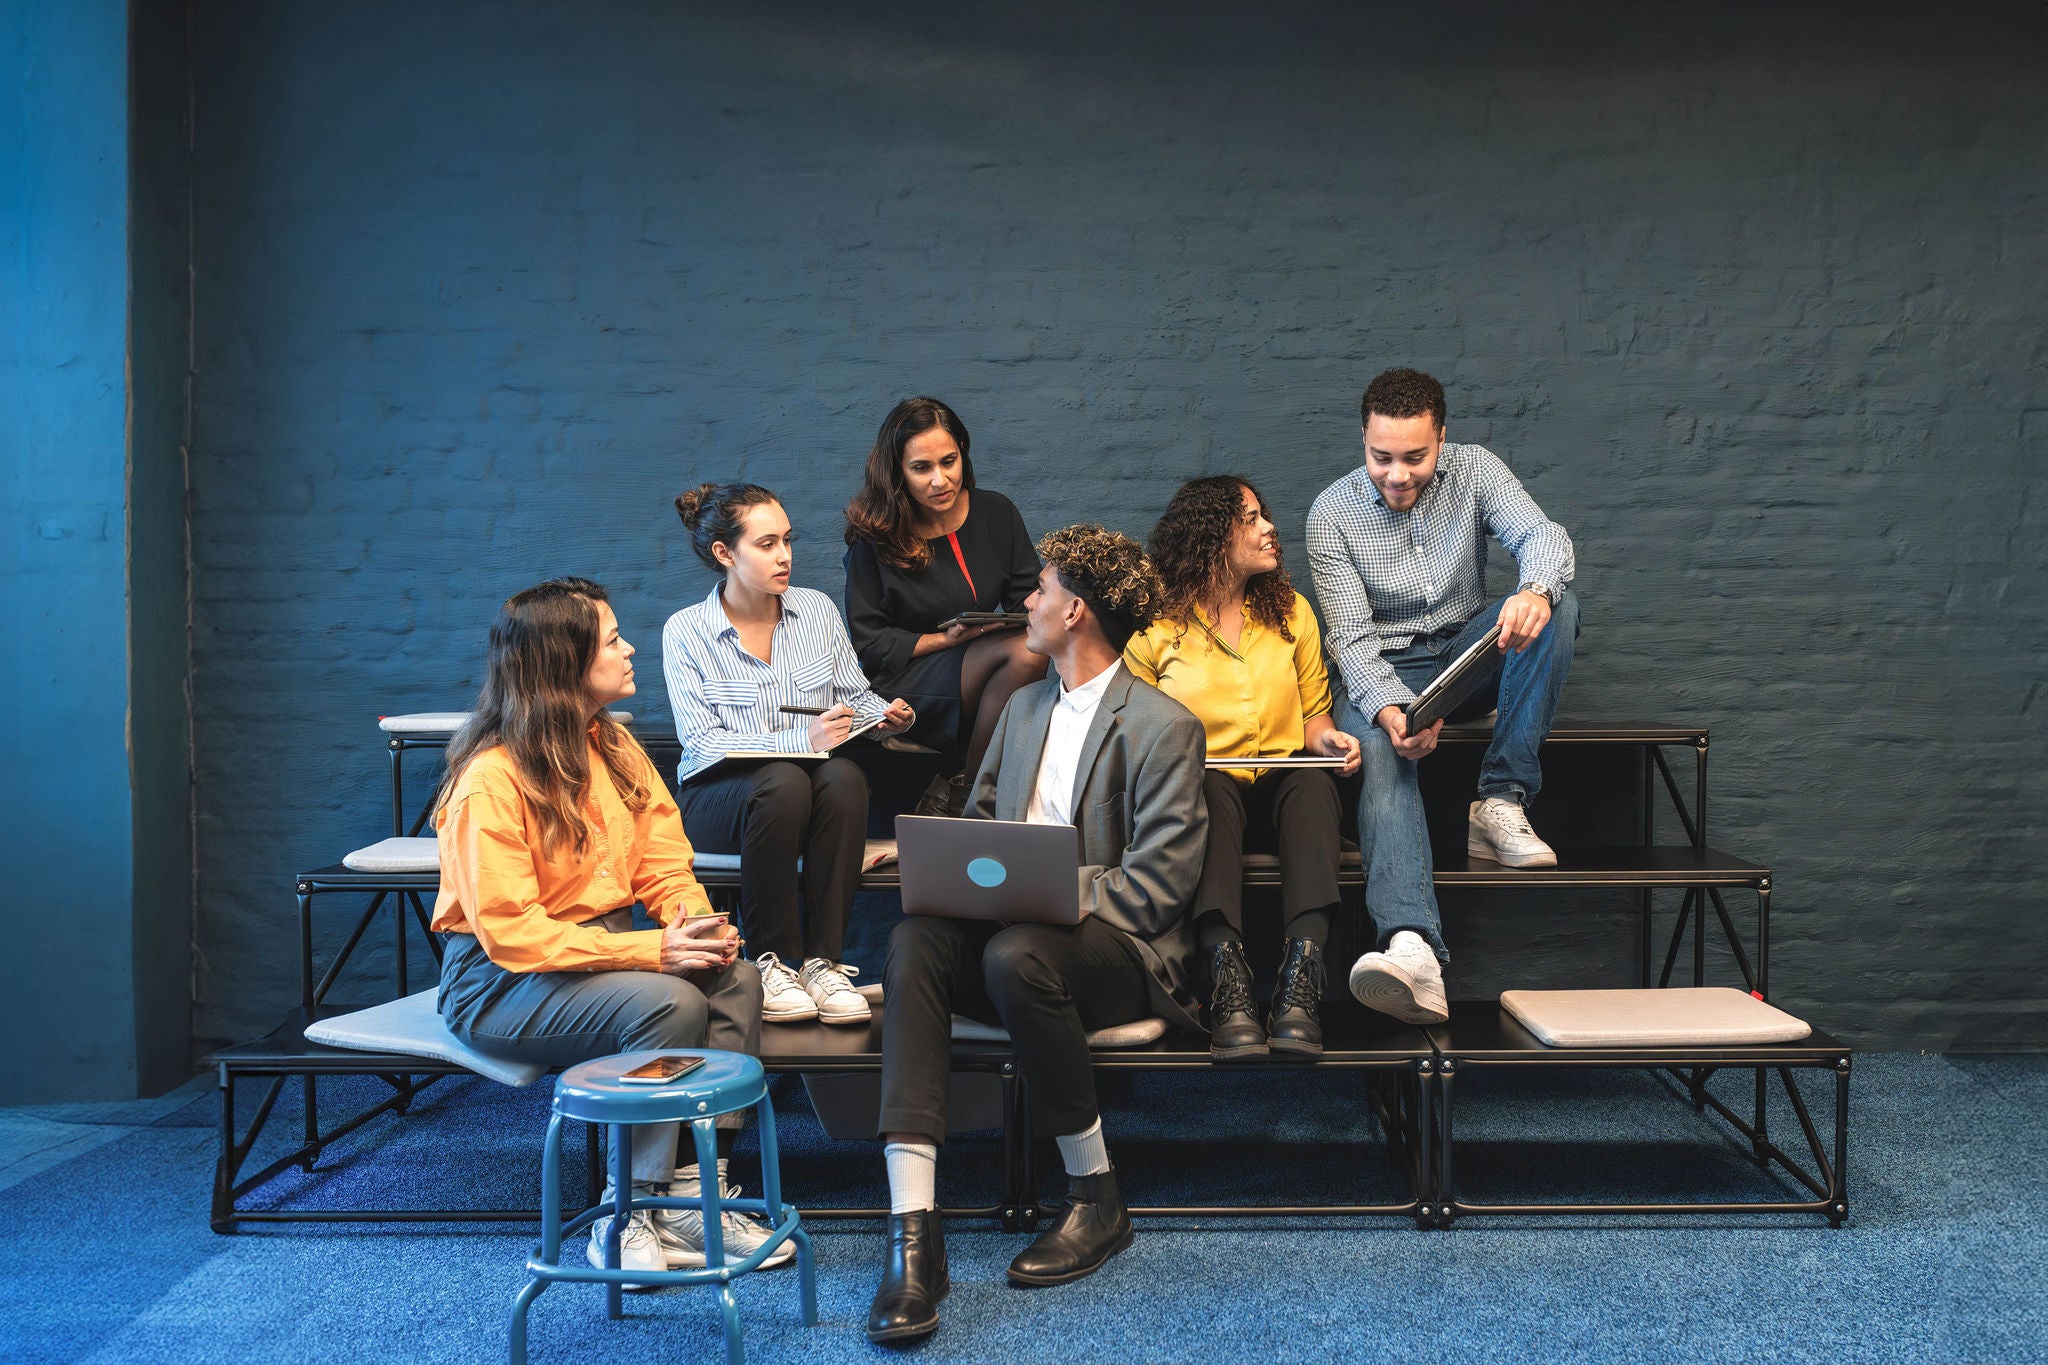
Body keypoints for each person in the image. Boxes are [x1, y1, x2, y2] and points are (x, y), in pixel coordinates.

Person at [865, 525, 1208, 1344]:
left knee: (1018, 954)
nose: (1028, 601)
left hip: (1110, 950)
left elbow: (1158, 886)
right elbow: (984, 822)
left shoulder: (1164, 726)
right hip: (1005, 934)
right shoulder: (1023, 707)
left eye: (1041, 588)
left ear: (1075, 610)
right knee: (913, 938)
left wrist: (1048, 887)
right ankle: (914, 1233)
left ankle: (1097, 1195)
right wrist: (944, 859)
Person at [432, 577, 789, 1281]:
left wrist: (694, 925)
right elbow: (514, 933)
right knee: (670, 999)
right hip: (501, 982)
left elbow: (663, 860)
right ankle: (628, 1210)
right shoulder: (491, 778)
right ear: (565, 663)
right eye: (614, 640)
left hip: (594, 961)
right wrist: (655, 950)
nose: (631, 651)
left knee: (733, 977)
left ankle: (693, 1194)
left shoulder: (615, 747)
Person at [1306, 368, 1580, 1025]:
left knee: (1556, 604)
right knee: (1378, 743)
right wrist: (1395, 708)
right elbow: (1349, 641)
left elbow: (1545, 538)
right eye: (1381, 457)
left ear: (1442, 439)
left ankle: (1501, 799)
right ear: (1364, 440)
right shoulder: (1331, 513)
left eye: (1414, 457)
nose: (1397, 473)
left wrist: (1534, 590)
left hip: (1462, 657)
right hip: (1380, 668)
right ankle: (1412, 946)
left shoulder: (1477, 471)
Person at [663, 482, 915, 1028]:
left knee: (844, 776)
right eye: (767, 543)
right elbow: (703, 741)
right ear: (724, 554)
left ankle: (825, 964)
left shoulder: (816, 610)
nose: (785, 556)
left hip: (808, 794)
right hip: (717, 801)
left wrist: (884, 716)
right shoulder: (686, 630)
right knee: (783, 778)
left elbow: (852, 694)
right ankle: (770, 962)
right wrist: (802, 744)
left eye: (788, 540)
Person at [1126, 475, 1361, 1060]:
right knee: (1203, 782)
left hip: (1282, 780)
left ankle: (1302, 980)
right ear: (1211, 535)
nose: (1268, 529)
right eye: (1250, 519)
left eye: (1264, 515)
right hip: (1203, 792)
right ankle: (1226, 979)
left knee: (1312, 780)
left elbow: (1315, 718)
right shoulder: (1155, 626)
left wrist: (1334, 743)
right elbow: (1132, 733)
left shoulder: (1292, 613)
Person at [843, 396, 1047, 817]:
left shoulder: (996, 512)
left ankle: (965, 793)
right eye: (922, 468)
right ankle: (975, 798)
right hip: (903, 680)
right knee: (1025, 654)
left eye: (949, 461)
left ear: (963, 455)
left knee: (1031, 647)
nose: (940, 480)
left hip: (985, 663)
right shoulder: (875, 536)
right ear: (897, 471)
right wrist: (944, 639)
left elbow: (1030, 602)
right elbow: (870, 643)